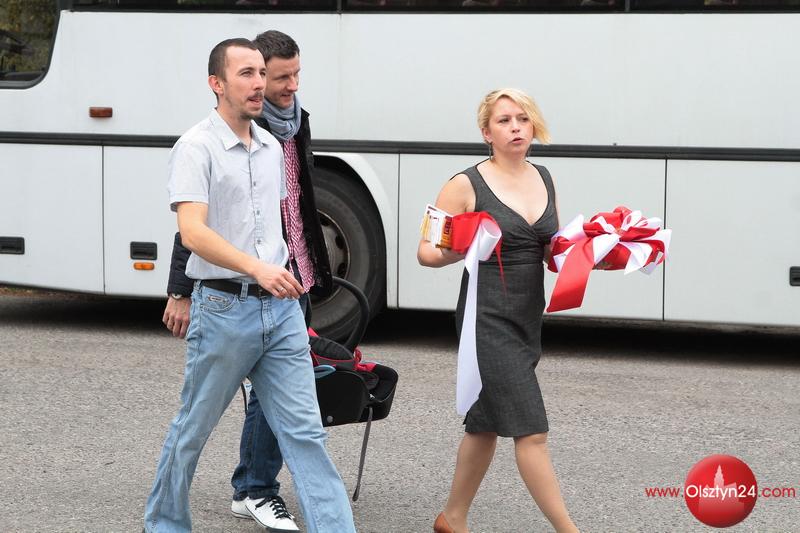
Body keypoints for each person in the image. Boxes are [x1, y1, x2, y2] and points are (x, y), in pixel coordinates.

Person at [144, 37, 355, 533]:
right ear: (216, 83)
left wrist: (287, 271)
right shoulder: (196, 146)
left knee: (306, 435)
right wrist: (252, 270)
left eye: (262, 72)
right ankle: (165, 524)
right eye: (246, 74)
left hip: (281, 312)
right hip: (224, 309)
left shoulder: (271, 147)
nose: (259, 83)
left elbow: (273, 227)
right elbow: (193, 232)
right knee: (192, 431)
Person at [417, 88, 578, 533]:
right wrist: (461, 248)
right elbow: (425, 251)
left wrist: (593, 252)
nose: (515, 128)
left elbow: (551, 249)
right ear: (486, 132)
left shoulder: (544, 177)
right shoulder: (464, 184)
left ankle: (452, 517)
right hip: (485, 318)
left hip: (526, 316)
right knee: (532, 431)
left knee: (484, 426)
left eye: (523, 119)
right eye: (504, 121)